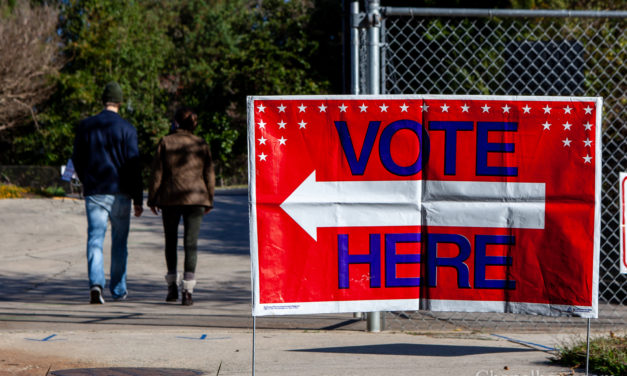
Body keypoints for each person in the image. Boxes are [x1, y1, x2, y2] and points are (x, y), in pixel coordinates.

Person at [72, 81, 144, 304]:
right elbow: (134, 165)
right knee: (119, 243)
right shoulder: (127, 129)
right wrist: (138, 198)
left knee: (95, 238)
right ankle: (119, 289)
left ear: (103, 100)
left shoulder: (86, 126)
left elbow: (77, 158)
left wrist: (87, 180)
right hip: (121, 192)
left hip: (95, 190)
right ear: (120, 102)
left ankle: (96, 284)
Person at [148, 107, 215, 306]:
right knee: (190, 243)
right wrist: (209, 199)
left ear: (175, 122)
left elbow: (157, 173)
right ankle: (188, 291)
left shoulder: (165, 142)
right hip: (196, 199)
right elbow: (209, 174)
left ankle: (171, 289)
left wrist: (153, 198)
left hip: (170, 198)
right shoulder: (201, 143)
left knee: (170, 242)